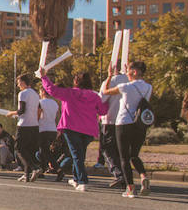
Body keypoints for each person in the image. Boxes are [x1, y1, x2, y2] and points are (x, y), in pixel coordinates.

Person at [40, 68, 108, 192]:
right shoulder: (94, 96)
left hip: (72, 127)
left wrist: (44, 77)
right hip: (89, 130)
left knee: (76, 154)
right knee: (80, 154)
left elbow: (52, 90)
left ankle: (82, 180)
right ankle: (77, 179)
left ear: (76, 81)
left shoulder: (70, 93)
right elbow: (103, 110)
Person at [101, 61, 153, 198]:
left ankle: (130, 188)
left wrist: (109, 76)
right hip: (140, 124)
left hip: (124, 123)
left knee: (124, 157)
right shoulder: (149, 87)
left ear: (135, 72)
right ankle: (143, 176)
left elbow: (105, 92)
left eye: (128, 70)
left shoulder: (124, 87)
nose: (126, 73)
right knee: (134, 154)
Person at [99, 69, 131, 187]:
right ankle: (126, 176)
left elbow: (102, 98)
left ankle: (118, 174)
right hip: (127, 119)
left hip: (111, 119)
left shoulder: (111, 81)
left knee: (107, 148)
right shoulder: (130, 80)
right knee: (120, 149)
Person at [7, 75, 41, 182]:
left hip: (24, 125)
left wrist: (11, 113)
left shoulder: (22, 94)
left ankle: (35, 168)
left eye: (19, 82)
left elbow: (21, 110)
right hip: (34, 125)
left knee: (19, 149)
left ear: (23, 82)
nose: (18, 85)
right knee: (29, 150)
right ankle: (26, 175)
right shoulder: (35, 94)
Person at [37, 87, 62, 180]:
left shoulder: (40, 102)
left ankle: (58, 169)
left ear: (43, 92)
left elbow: (38, 116)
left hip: (43, 128)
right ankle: (41, 170)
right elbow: (58, 116)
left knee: (44, 151)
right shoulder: (55, 103)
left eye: (40, 91)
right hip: (52, 129)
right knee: (43, 151)